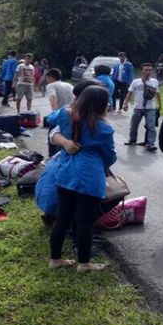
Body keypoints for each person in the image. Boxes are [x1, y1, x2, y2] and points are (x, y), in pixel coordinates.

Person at [47, 85, 117, 272]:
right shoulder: (103, 128)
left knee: (62, 218)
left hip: (65, 172)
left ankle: (55, 259)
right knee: (85, 221)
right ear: (102, 105)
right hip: (89, 177)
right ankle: (84, 263)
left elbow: (50, 118)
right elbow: (110, 156)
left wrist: (70, 108)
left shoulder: (65, 114)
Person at [122, 63, 161, 152]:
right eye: (146, 70)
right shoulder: (135, 82)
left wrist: (159, 105)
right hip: (138, 107)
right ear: (141, 71)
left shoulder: (155, 81)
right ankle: (132, 140)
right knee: (133, 126)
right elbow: (130, 93)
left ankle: (150, 144)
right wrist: (125, 104)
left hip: (151, 108)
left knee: (151, 126)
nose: (148, 72)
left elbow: (157, 94)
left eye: (150, 70)